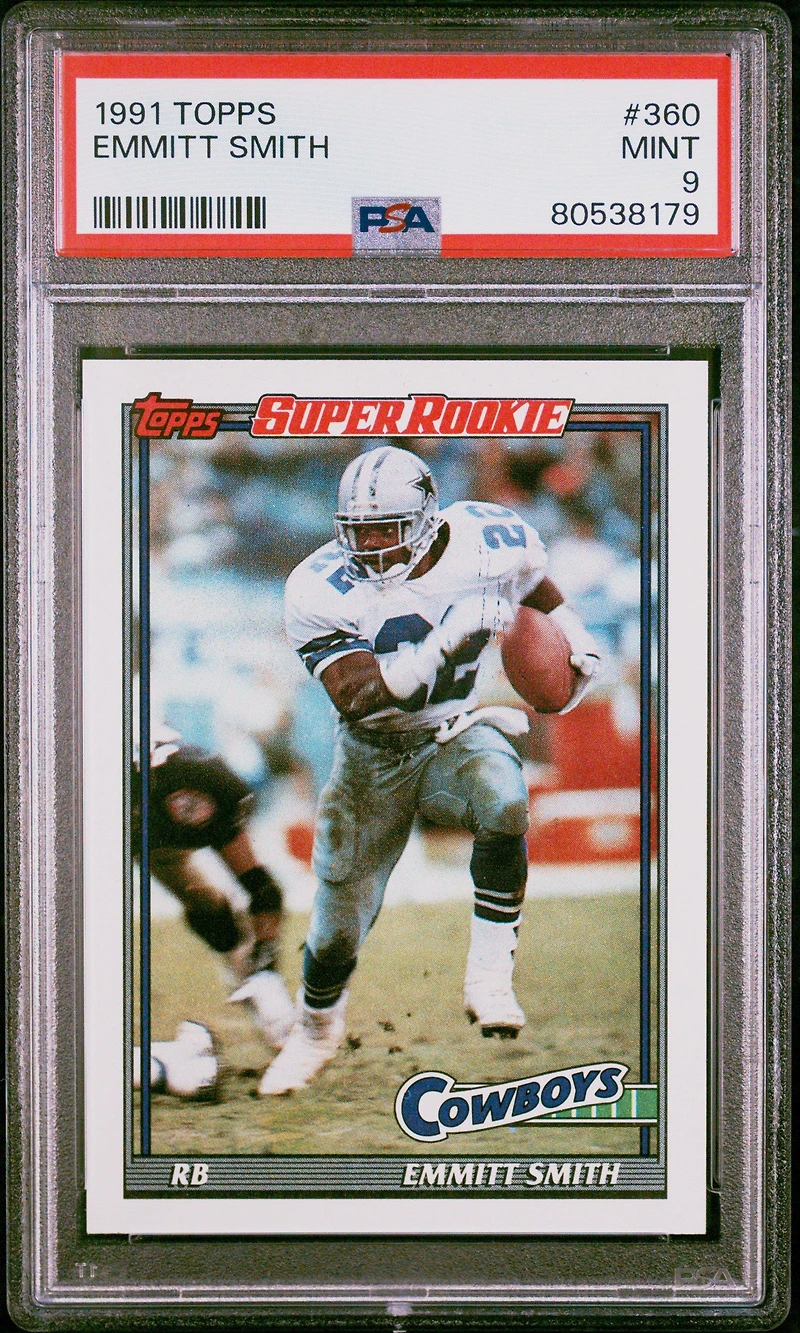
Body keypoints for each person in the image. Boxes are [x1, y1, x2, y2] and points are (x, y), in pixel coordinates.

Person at [260, 445, 599, 1096]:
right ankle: (315, 1030)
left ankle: (490, 977)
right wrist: (444, 640)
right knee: (336, 928)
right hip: (372, 750)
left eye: (385, 528)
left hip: (453, 727)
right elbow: (356, 694)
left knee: (505, 799)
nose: (369, 545)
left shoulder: (487, 538)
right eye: (358, 530)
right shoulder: (318, 586)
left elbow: (534, 583)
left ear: (425, 518)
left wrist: (575, 637)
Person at [132, 736, 295, 1097]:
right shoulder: (117, 798)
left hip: (153, 824)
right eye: (185, 803)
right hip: (126, 822)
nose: (195, 813)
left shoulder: (213, 788)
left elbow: (262, 890)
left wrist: (265, 968)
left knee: (214, 917)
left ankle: (260, 995)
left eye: (199, 804)